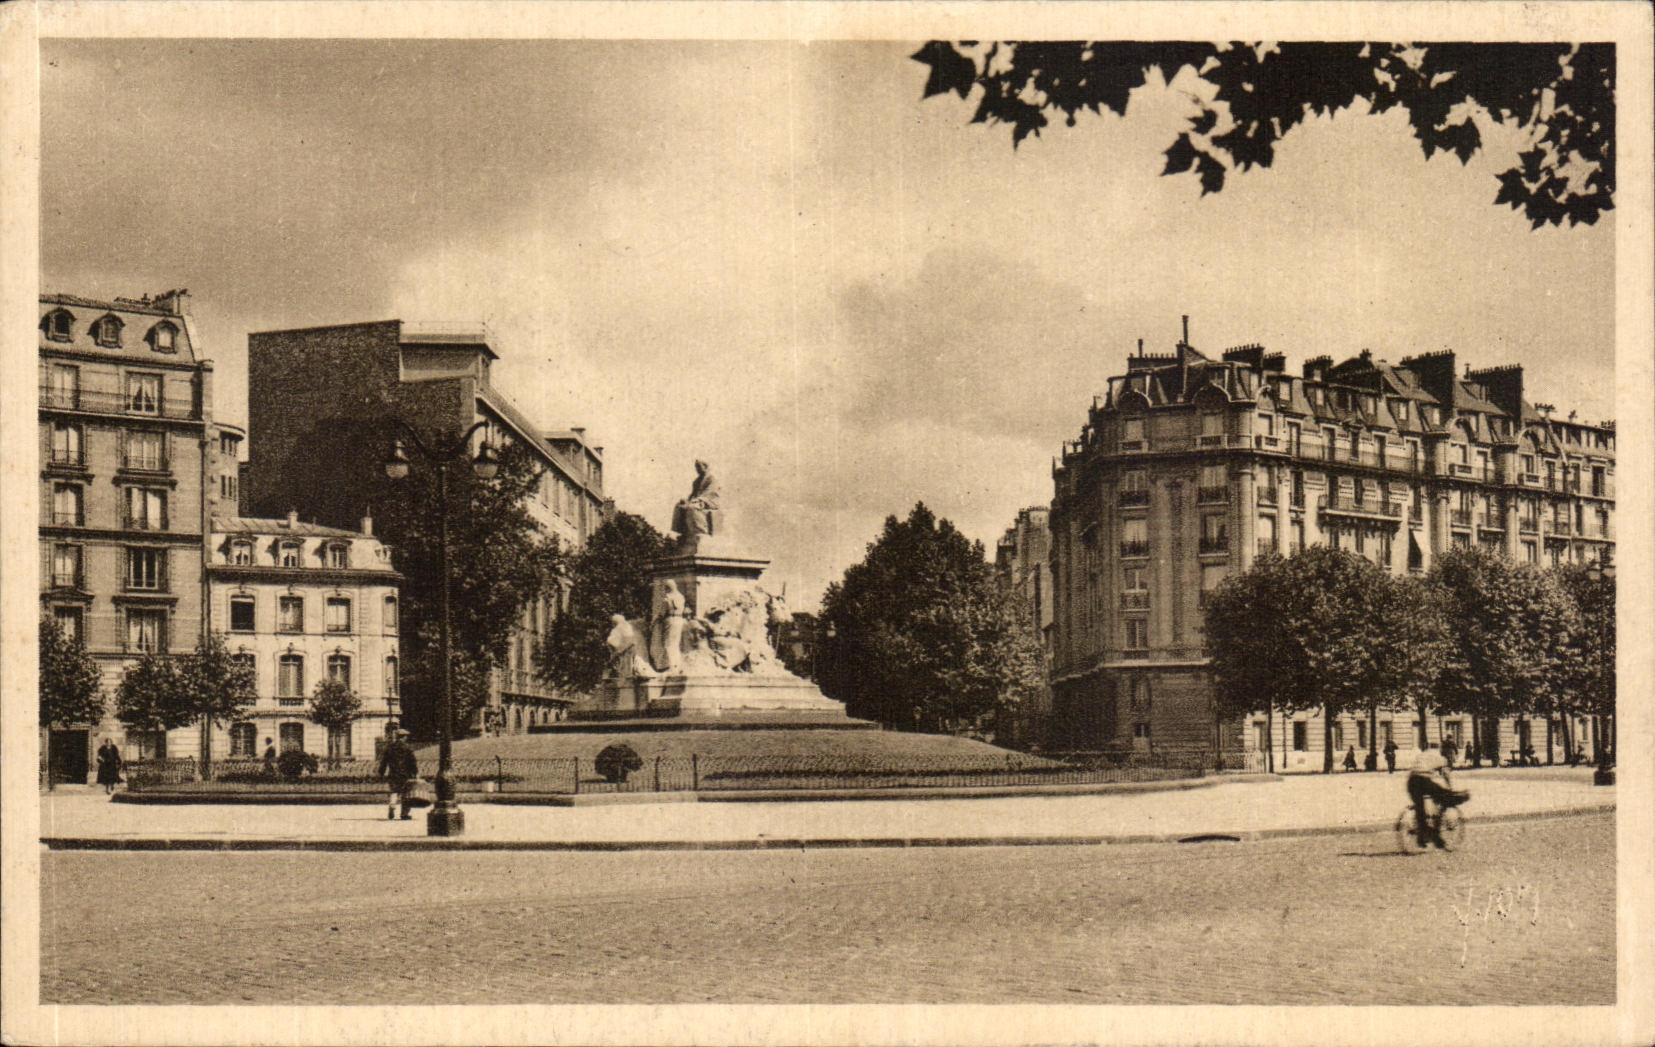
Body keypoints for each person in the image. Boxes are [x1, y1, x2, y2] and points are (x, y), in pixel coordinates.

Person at [1407, 740, 1458, 849]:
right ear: (1440, 748)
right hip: (1423, 780)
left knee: (1420, 807)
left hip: (1411, 781)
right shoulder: (1440, 757)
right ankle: (1436, 835)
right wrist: (1449, 788)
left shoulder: (1422, 754)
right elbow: (1445, 775)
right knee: (1443, 797)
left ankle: (1421, 837)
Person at [377, 730, 419, 820]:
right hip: (405, 774)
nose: (406, 738)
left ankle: (392, 806)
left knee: (394, 792)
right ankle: (404, 814)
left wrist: (381, 772)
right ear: (403, 737)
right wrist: (415, 773)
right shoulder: (408, 748)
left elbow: (384, 761)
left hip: (393, 774)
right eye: (405, 737)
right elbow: (412, 762)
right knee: (406, 794)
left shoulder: (390, 748)